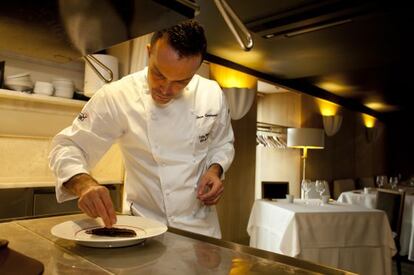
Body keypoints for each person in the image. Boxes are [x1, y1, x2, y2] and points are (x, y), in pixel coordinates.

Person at [48, 20, 235, 238]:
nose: (166, 89)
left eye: (181, 82)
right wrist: (84, 184)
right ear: (149, 52)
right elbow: (67, 146)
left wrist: (215, 169)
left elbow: (222, 143)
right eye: (159, 74)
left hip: (202, 229)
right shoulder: (117, 96)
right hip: (145, 227)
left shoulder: (211, 93)